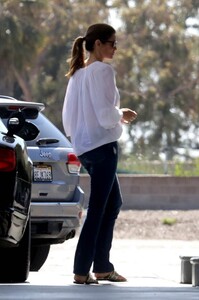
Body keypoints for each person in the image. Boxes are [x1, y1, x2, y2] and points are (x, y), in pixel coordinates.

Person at [62, 23, 137, 285]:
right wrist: (122, 114)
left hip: (84, 149)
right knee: (97, 208)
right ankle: (82, 270)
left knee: (112, 203)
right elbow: (106, 116)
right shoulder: (103, 71)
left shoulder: (77, 74)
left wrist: (83, 140)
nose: (115, 48)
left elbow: (68, 121)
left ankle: (103, 267)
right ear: (97, 44)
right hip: (103, 148)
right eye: (112, 43)